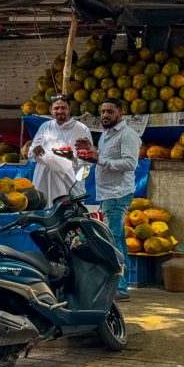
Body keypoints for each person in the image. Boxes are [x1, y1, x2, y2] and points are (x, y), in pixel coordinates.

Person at [74, 98, 141, 302]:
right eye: (103, 111)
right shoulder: (106, 134)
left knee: (112, 240)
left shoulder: (127, 134)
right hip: (107, 192)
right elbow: (105, 157)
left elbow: (130, 163)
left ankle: (119, 288)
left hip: (117, 193)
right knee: (118, 239)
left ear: (120, 113)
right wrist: (93, 150)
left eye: (110, 112)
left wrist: (98, 159)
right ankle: (123, 284)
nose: (105, 115)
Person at [29, 95, 91, 206]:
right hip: (43, 184)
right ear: (51, 110)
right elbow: (31, 154)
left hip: (68, 186)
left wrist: (71, 157)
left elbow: (88, 162)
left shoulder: (81, 129)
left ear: (70, 109)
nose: (60, 111)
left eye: (63, 108)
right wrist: (34, 150)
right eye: (56, 108)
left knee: (67, 217)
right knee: (44, 215)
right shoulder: (45, 126)